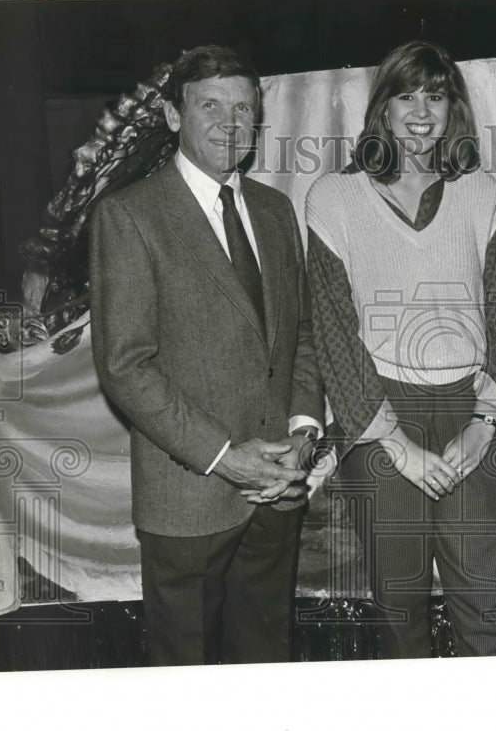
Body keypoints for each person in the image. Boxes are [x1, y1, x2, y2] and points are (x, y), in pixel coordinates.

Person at [89, 45, 324, 666]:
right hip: (189, 500)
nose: (230, 123)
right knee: (187, 680)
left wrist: (303, 432)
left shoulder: (274, 211)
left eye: (244, 108)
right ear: (173, 116)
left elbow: (298, 335)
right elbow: (125, 366)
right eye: (211, 106)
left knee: (264, 670)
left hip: (277, 492)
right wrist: (225, 456)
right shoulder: (129, 216)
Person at [303, 40, 496, 659]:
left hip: (468, 411)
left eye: (436, 94)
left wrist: (485, 426)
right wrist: (395, 444)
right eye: (406, 95)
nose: (421, 112)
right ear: (382, 108)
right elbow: (333, 331)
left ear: (454, 107)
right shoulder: (333, 198)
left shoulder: (480, 192)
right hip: (378, 414)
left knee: (484, 604)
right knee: (400, 611)